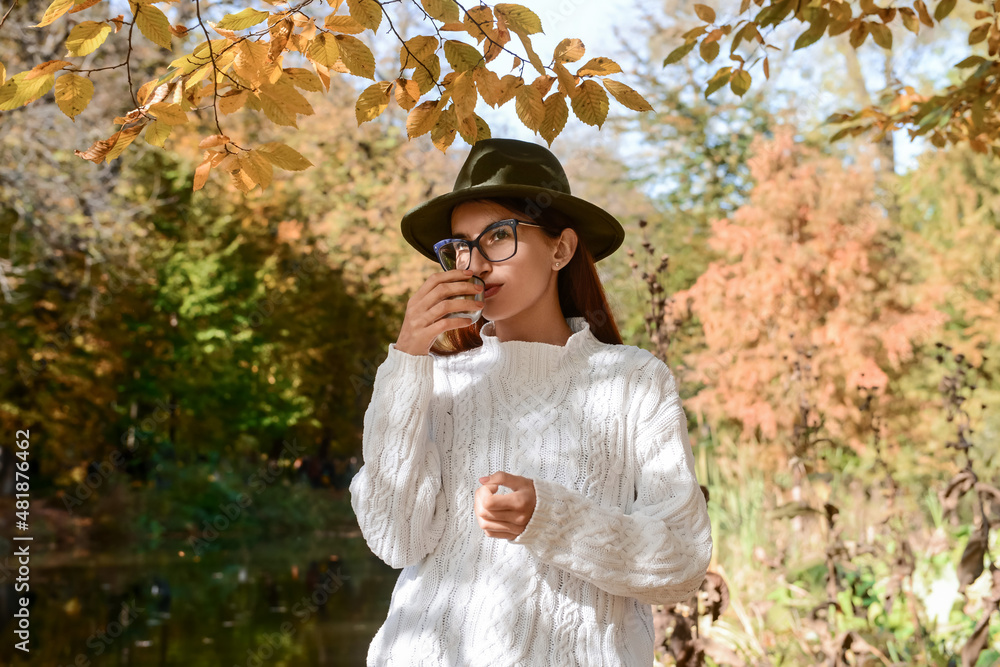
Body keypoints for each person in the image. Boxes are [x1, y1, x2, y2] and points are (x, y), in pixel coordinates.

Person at [349, 138, 712, 666]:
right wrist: (407, 357)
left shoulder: (634, 381)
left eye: (498, 236)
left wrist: (550, 518)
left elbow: (681, 563)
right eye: (460, 246)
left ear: (561, 249)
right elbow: (392, 538)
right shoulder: (436, 383)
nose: (473, 263)